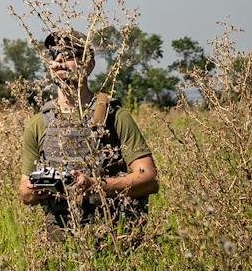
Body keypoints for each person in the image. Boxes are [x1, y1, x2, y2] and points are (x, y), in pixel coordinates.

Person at [18, 30, 160, 236]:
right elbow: (24, 193)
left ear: (88, 64)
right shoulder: (38, 123)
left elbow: (149, 179)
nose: (59, 59)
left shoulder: (114, 116)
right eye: (54, 54)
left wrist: (95, 186)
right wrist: (40, 188)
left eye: (68, 54)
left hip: (114, 238)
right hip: (60, 244)